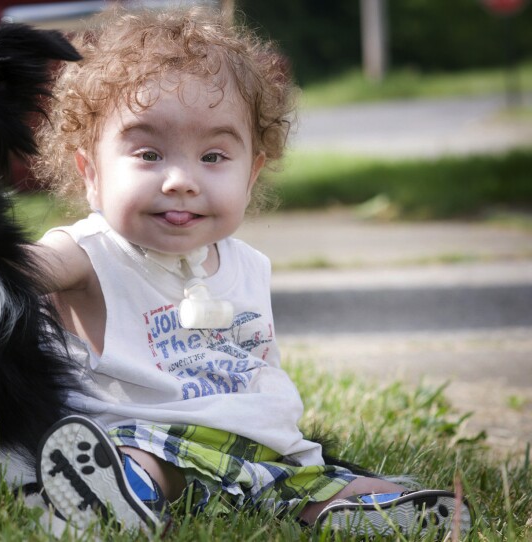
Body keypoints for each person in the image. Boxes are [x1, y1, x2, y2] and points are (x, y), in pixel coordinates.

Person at [29, 4, 473, 539]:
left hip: (252, 443)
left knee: (314, 481)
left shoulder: (246, 264)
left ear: (252, 172)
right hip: (145, 435)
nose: (181, 180)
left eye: (214, 157)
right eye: (148, 153)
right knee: (142, 462)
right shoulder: (89, 251)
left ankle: (364, 508)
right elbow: (13, 272)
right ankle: (116, 500)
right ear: (90, 173)